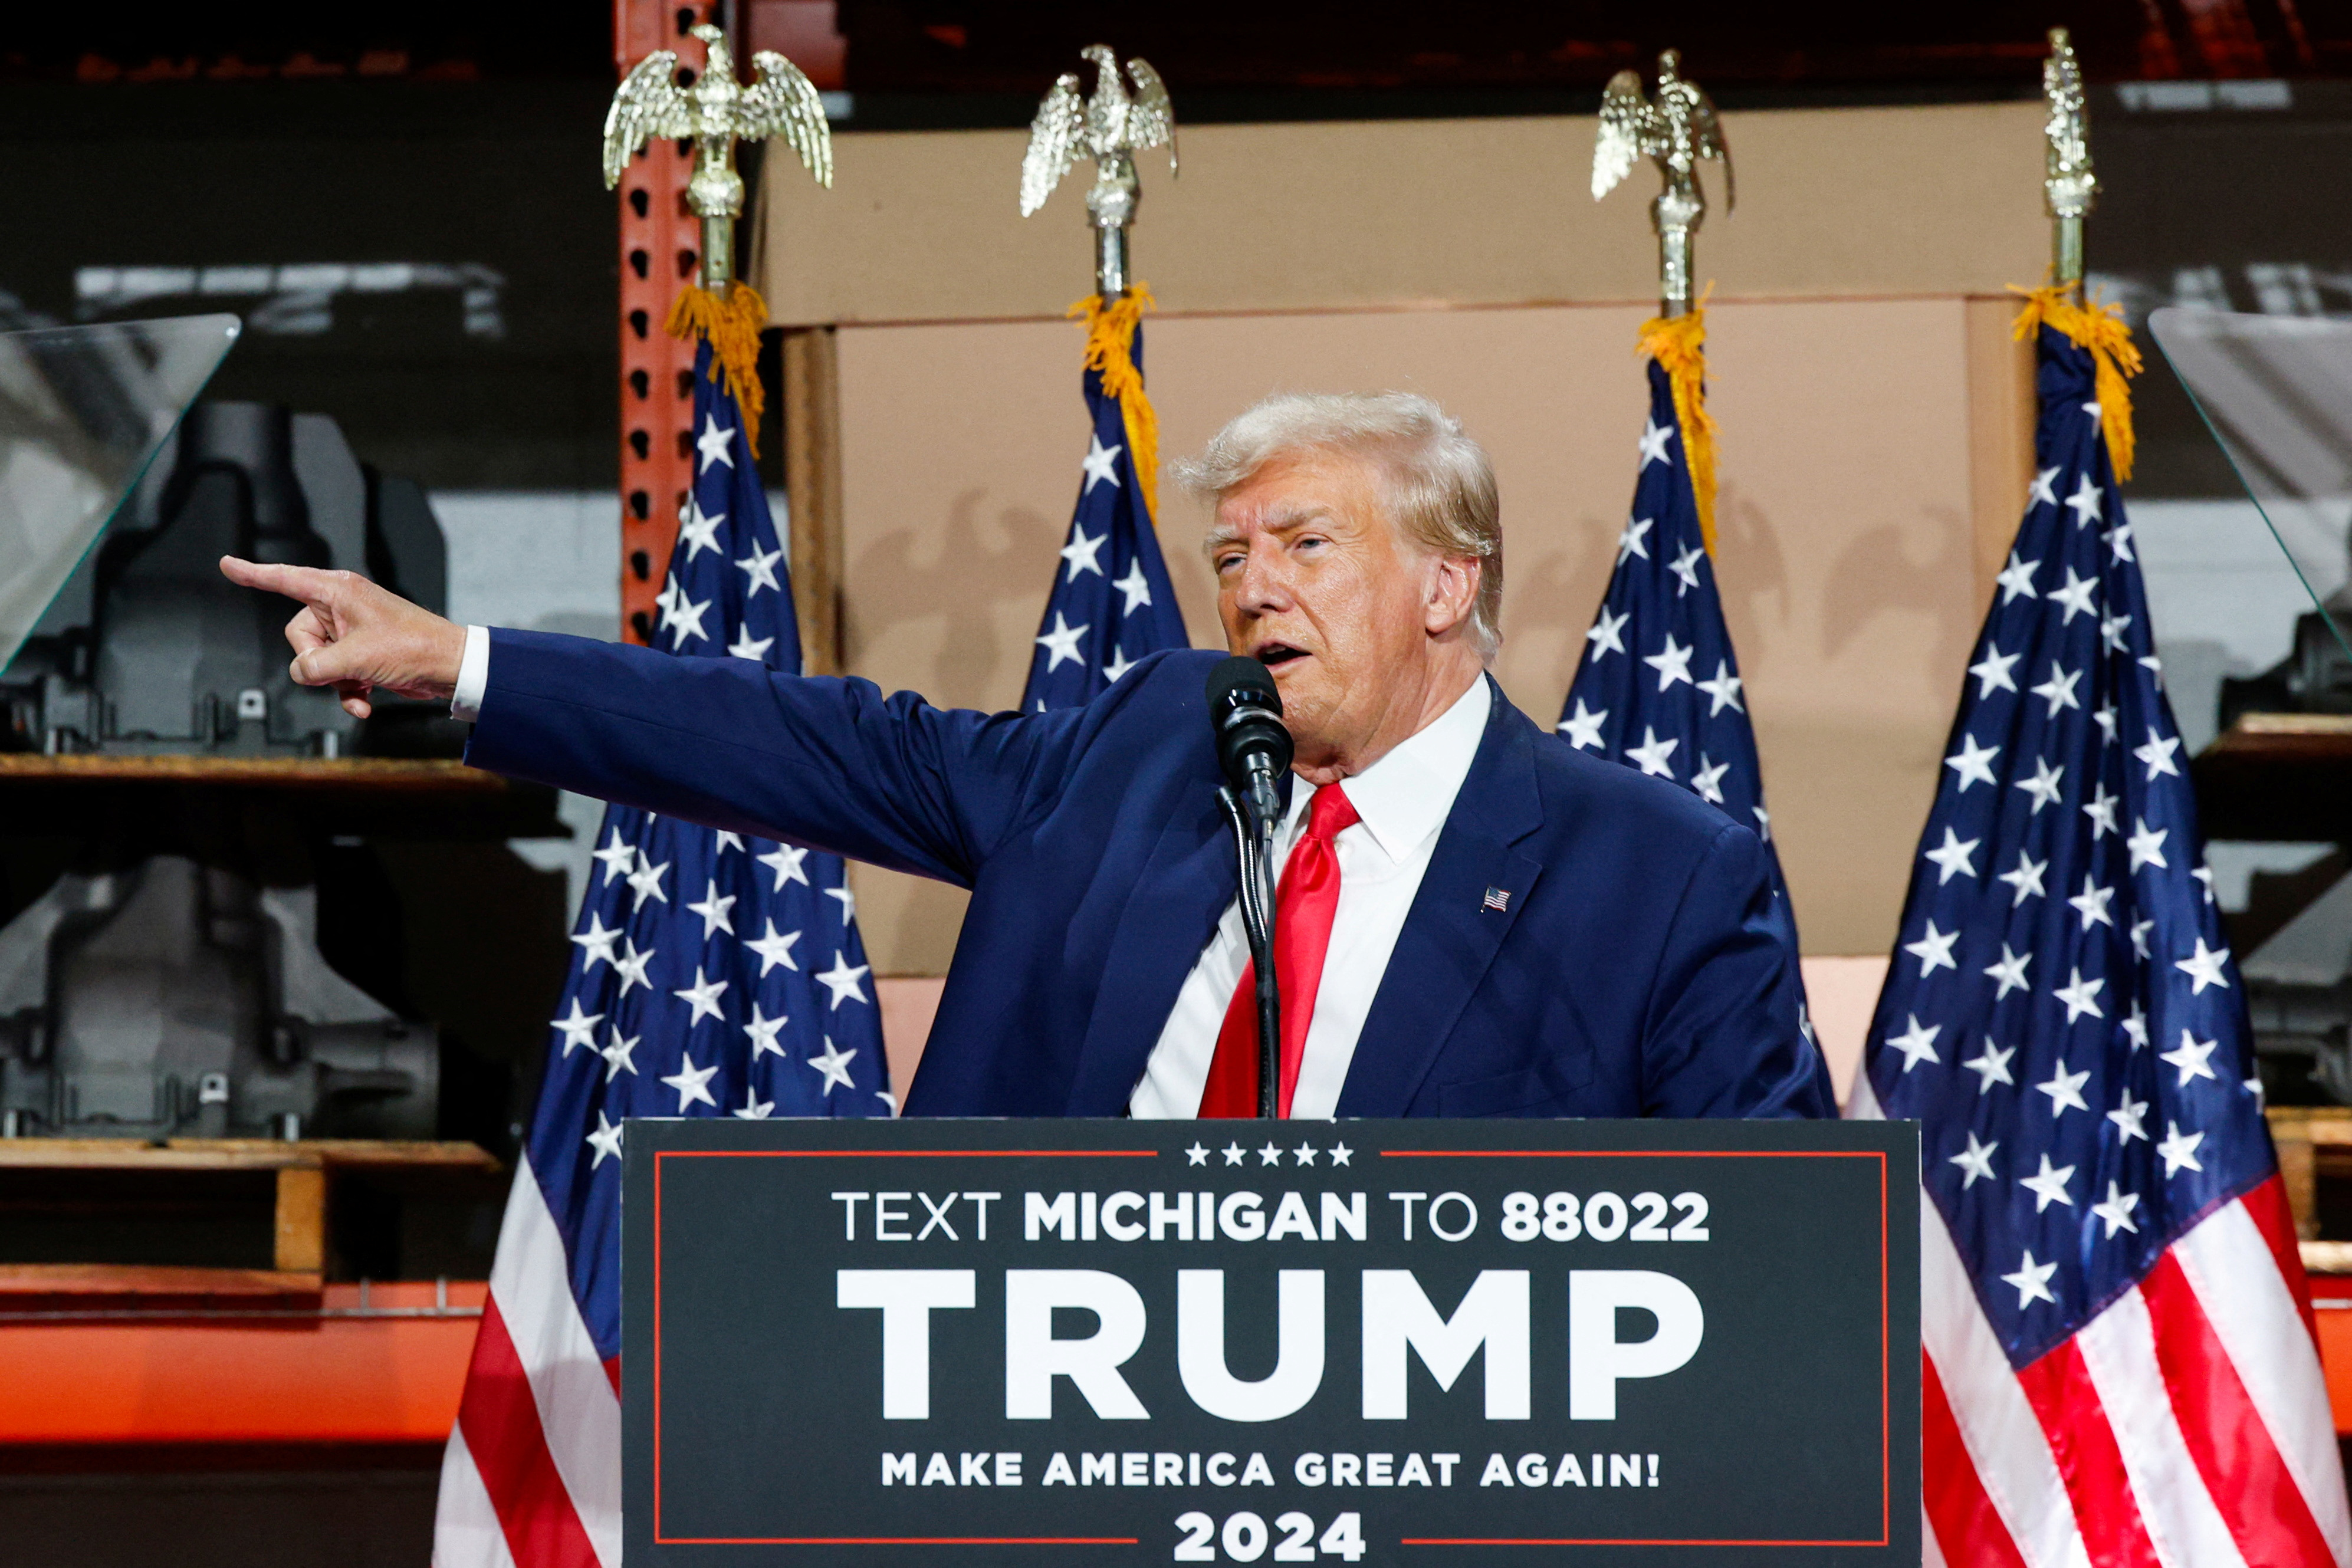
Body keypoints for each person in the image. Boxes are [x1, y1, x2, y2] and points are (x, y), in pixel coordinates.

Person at [220, 392, 1831, 1120]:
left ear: (1444, 581)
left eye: (1304, 544)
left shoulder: (1657, 880)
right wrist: (467, 661)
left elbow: (1766, 1274)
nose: (1251, 584)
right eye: (1231, 553)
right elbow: (818, 742)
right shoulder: (1149, 747)